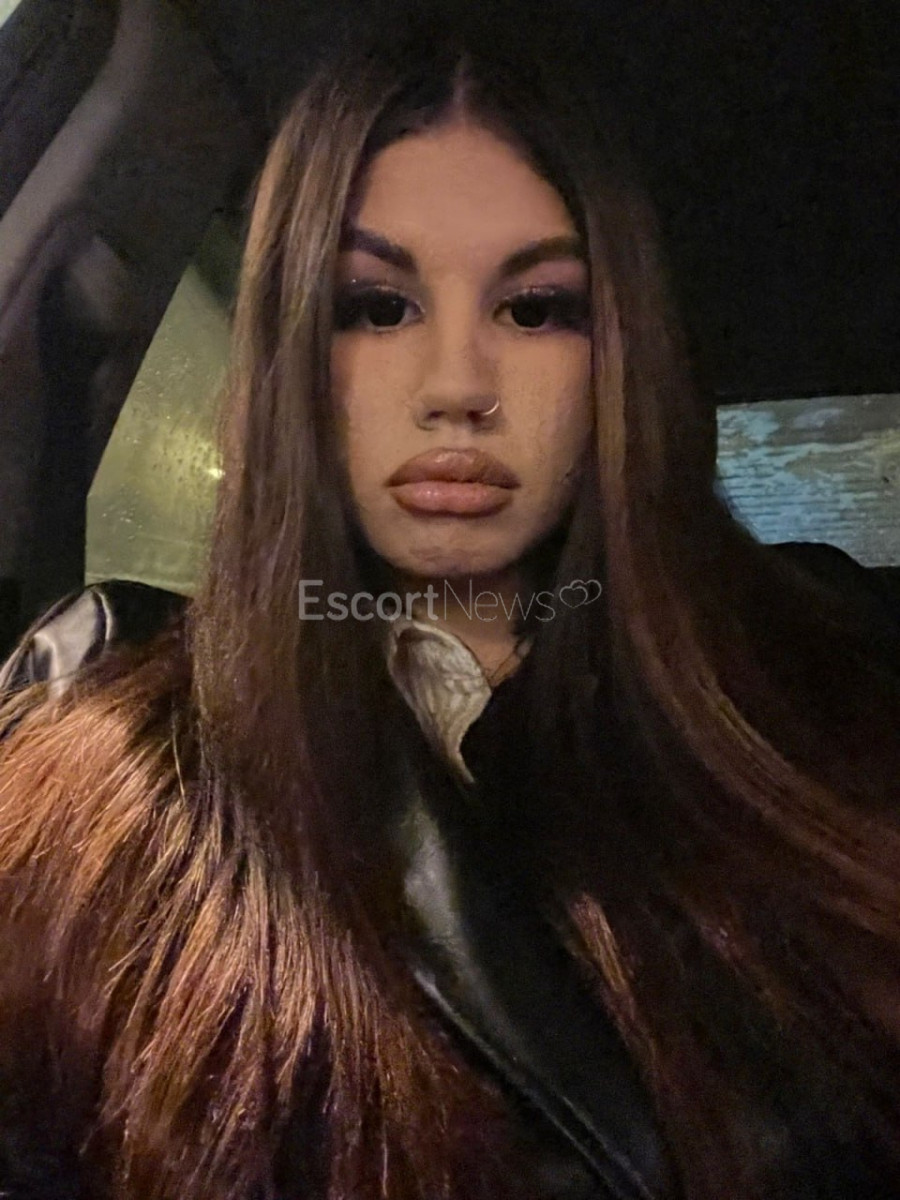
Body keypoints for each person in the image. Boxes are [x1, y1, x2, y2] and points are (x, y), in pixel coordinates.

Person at [1, 7, 900, 1200]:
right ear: (292, 347)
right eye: (377, 306)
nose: (458, 388)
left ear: (616, 353)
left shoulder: (826, 689)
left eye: (535, 308)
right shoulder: (106, 740)